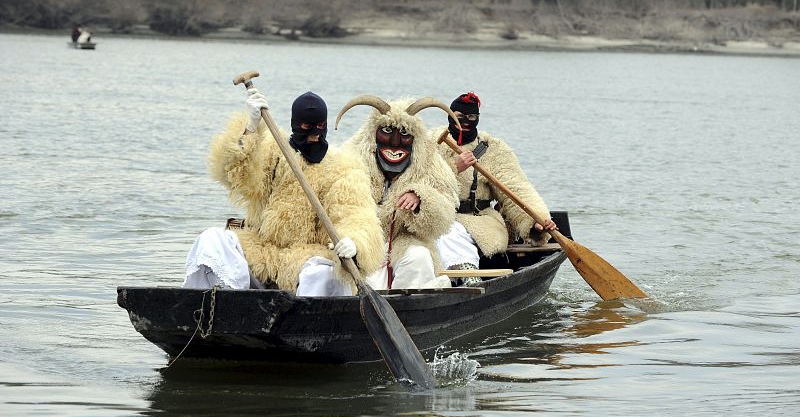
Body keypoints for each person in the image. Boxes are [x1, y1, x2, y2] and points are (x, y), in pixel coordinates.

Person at [183, 88, 384, 296]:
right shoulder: (272, 151)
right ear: (295, 125)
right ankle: (224, 305)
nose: (315, 136)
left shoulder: (344, 167)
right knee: (211, 240)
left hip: (308, 257)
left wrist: (355, 242)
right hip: (262, 250)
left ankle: (307, 322)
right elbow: (234, 173)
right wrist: (250, 128)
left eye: (321, 127)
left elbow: (358, 216)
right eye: (307, 127)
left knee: (323, 274)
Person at [338, 95, 460, 290]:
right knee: (354, 271)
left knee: (418, 258)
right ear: (373, 133)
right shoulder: (351, 156)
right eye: (387, 131)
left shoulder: (428, 161)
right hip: (363, 240)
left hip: (404, 241)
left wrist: (421, 198)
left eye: (404, 133)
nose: (395, 142)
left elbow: (445, 208)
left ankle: (406, 305)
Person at [433, 92, 557, 283]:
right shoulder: (428, 143)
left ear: (477, 119)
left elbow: (516, 188)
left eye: (471, 117)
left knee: (450, 231)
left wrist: (536, 220)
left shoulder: (493, 149)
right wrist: (454, 168)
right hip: (433, 215)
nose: (465, 122)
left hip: (478, 219)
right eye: (459, 117)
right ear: (450, 116)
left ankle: (469, 279)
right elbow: (417, 182)